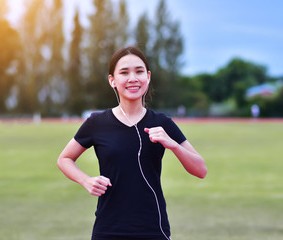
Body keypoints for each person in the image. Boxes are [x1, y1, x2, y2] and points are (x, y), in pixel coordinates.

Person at [57, 46, 207, 240]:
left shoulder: (162, 123)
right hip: (108, 229)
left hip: (153, 229)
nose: (133, 78)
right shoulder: (97, 123)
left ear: (148, 76)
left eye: (139, 71)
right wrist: (86, 180)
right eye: (124, 73)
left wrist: (172, 144)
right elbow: (64, 159)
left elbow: (200, 170)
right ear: (112, 81)